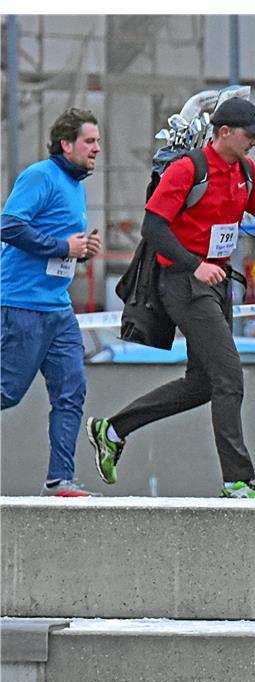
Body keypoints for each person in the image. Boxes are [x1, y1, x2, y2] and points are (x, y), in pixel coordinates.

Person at [85, 98, 255, 498]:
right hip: (184, 283)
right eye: (250, 135)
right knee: (230, 376)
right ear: (224, 133)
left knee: (203, 384)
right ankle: (238, 479)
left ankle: (112, 430)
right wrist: (195, 264)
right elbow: (153, 227)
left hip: (216, 283)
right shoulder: (187, 170)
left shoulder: (244, 171)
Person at [1, 108, 103, 496]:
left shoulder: (76, 184)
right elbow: (8, 226)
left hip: (58, 309)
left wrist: (83, 251)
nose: (97, 149)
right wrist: (64, 246)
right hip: (22, 303)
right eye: (90, 141)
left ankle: (60, 479)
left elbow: (62, 247)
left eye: (97, 141)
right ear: (66, 144)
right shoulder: (41, 175)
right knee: (7, 392)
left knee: (72, 390)